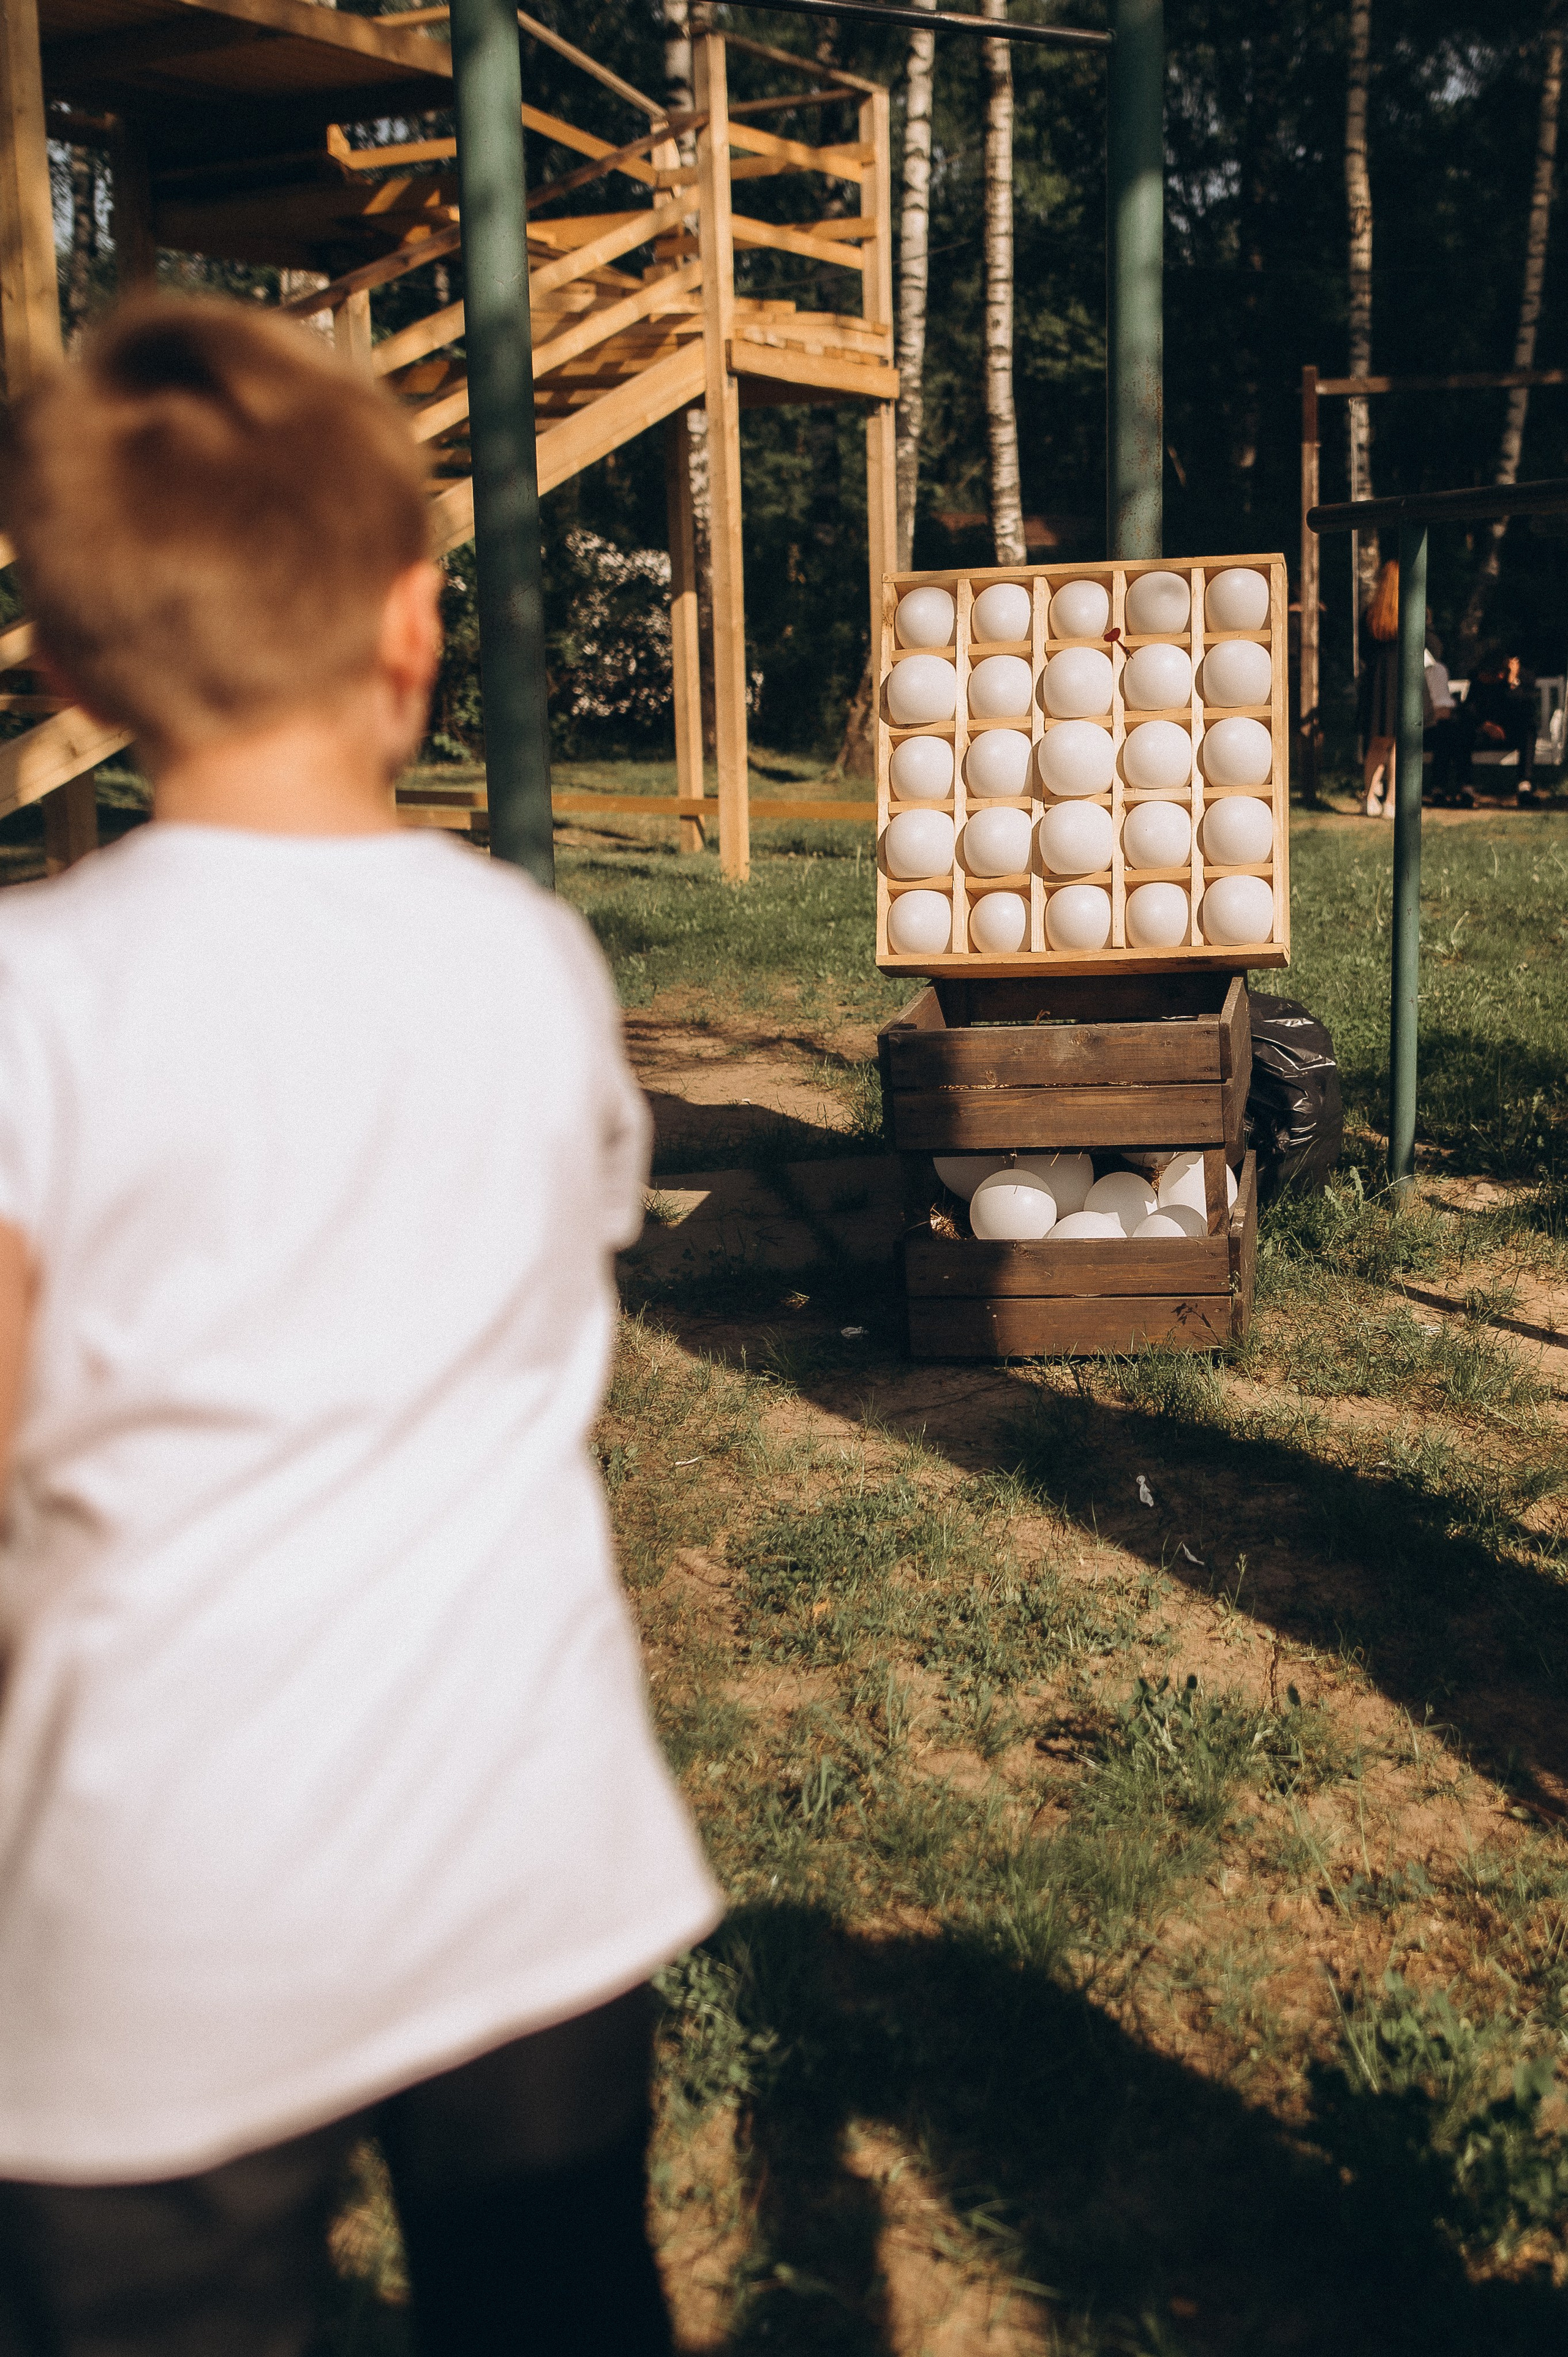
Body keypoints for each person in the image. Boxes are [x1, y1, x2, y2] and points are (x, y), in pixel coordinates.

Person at [0, 296, 721, 2356]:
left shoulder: (36, 997)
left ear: (74, 673)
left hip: (164, 1910)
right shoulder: (532, 960)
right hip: (530, 1866)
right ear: (414, 624)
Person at [1456, 649, 1539, 808]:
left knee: (1529, 729)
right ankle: (1467, 790)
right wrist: (1485, 725)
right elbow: (1468, 710)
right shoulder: (1479, 680)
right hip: (1485, 734)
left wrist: (1512, 683)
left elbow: (1527, 710)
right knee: (1463, 732)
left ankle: (1524, 787)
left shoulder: (1518, 679)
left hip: (1510, 734)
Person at [1357, 557, 1399, 816]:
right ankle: (1391, 802)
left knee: (1376, 744)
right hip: (1400, 679)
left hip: (1377, 681)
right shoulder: (1409, 614)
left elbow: (1363, 652)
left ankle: (1369, 798)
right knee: (1397, 745)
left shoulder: (1371, 615)